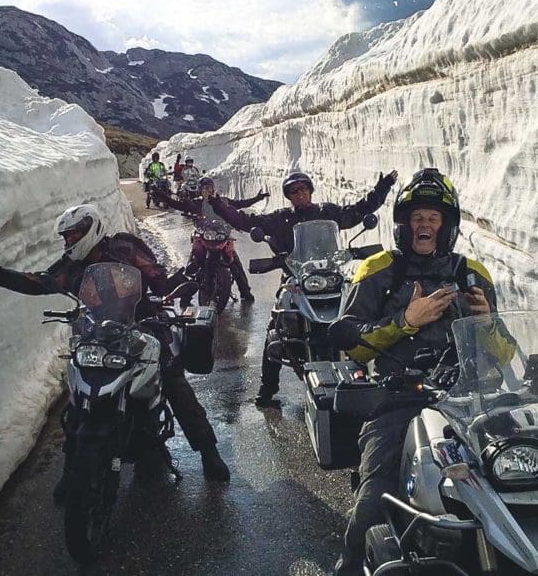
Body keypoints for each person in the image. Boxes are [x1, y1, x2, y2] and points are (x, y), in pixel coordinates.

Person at [0, 204, 230, 499]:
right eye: (66, 238)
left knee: (173, 381)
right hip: (97, 333)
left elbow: (158, 279)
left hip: (142, 325)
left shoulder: (126, 249)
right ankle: (73, 469)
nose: (69, 243)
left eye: (73, 236)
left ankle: (208, 452)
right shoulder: (71, 265)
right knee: (80, 396)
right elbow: (38, 282)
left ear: (91, 229)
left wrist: (180, 283)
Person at [333, 168, 497, 575]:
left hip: (468, 399)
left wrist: (490, 324)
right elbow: (350, 341)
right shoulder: (378, 268)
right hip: (397, 400)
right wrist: (406, 320)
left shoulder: (473, 273)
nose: (424, 225)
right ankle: (351, 563)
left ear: (447, 226)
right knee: (376, 495)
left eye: (433, 218)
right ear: (404, 225)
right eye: (417, 218)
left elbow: (502, 356)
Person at [208, 169, 398, 405]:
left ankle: (370, 376)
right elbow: (246, 222)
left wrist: (383, 188)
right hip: (296, 279)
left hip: (330, 276)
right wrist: (216, 202)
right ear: (288, 196)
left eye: (303, 189)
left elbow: (357, 213)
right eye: (293, 191)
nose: (299, 194)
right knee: (275, 327)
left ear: (310, 191)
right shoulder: (280, 219)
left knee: (358, 313)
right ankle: (266, 391)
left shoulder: (327, 213)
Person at [154, 175, 270, 302]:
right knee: (193, 263)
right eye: (205, 188)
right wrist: (162, 196)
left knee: (235, 263)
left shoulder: (222, 201)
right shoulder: (197, 203)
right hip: (204, 236)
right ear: (200, 190)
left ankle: (245, 292)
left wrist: (257, 198)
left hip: (221, 235)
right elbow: (178, 205)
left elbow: (240, 204)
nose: (208, 190)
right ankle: (185, 296)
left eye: (210, 188)